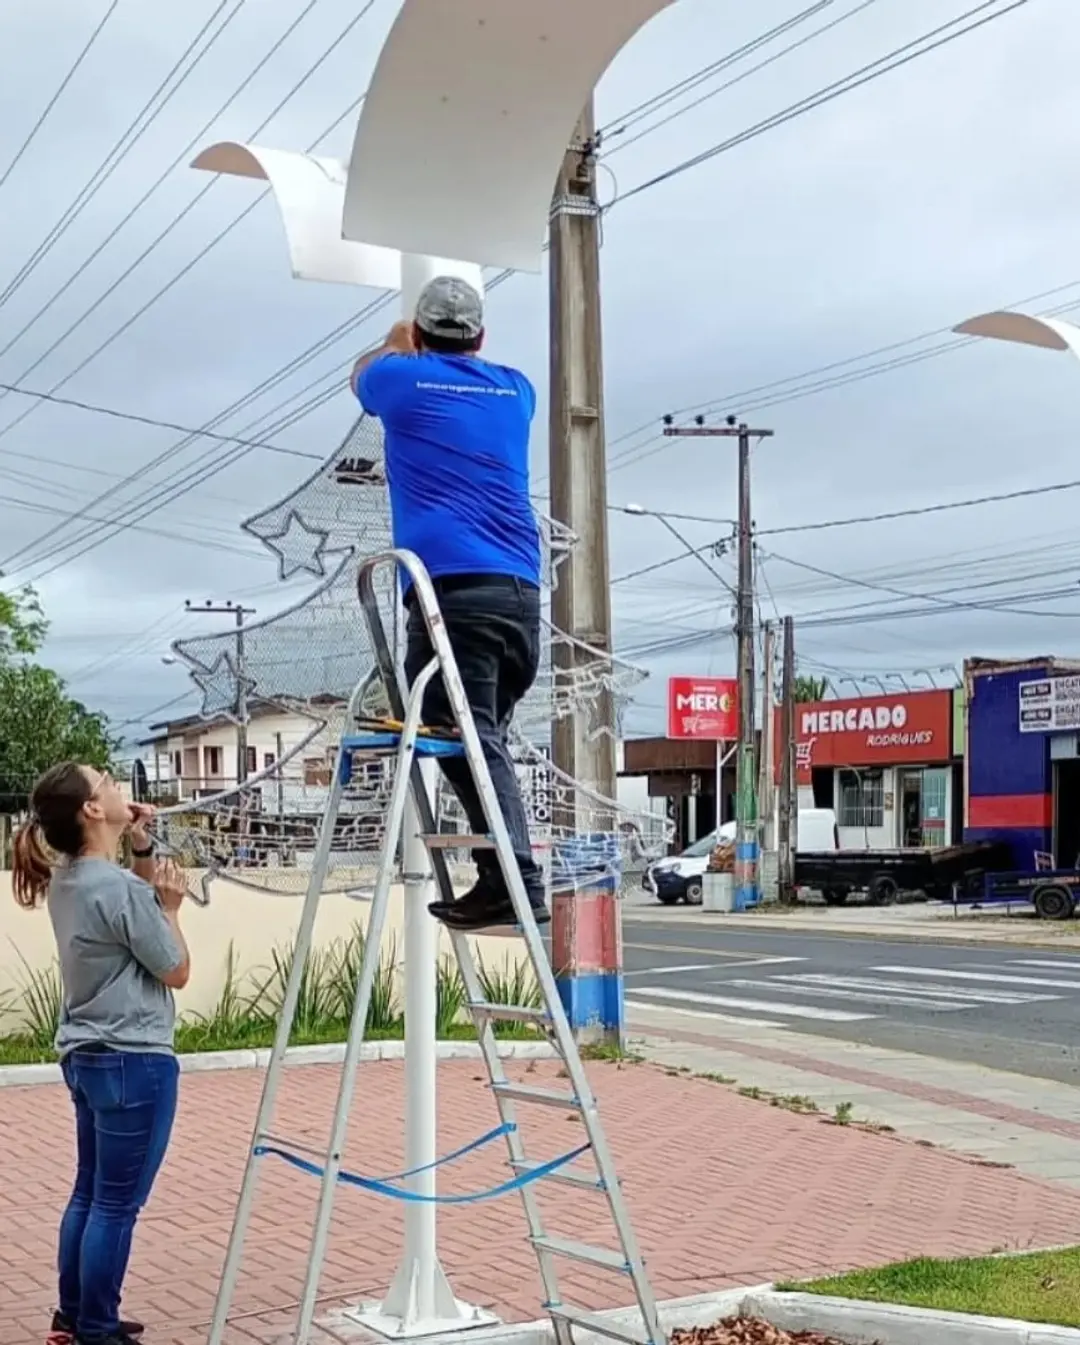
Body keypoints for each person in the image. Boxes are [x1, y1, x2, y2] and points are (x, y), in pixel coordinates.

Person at [351, 275, 548, 932]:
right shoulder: (516, 390)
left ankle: (516, 876)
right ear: (481, 336)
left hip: (453, 596)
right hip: (519, 597)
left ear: (421, 333)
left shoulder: (402, 381)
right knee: (467, 736)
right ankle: (501, 874)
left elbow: (362, 377)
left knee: (460, 732)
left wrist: (394, 341)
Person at [11, 762, 191, 1345]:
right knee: (116, 1205)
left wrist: (138, 843)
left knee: (91, 1192)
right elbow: (176, 968)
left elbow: (127, 908)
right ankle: (97, 1330)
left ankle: (76, 1315)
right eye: (106, 782)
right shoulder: (116, 890)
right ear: (91, 810)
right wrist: (171, 907)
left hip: (90, 1057)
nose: (117, 784)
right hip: (134, 1059)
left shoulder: (70, 877)